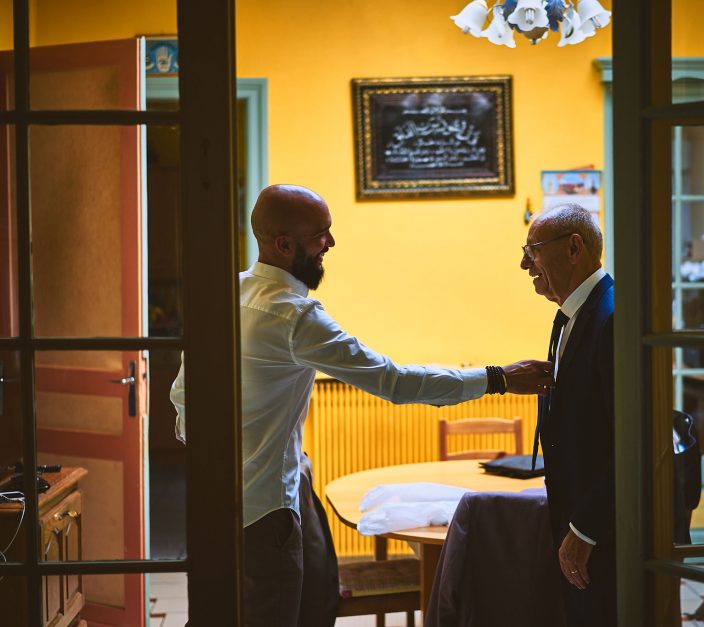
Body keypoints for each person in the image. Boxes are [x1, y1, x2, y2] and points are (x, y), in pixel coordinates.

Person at [170, 184, 553, 627]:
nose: (330, 243)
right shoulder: (296, 318)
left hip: (213, 505)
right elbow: (395, 381)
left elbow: (183, 398)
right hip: (265, 518)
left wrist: (232, 460)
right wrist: (499, 378)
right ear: (284, 244)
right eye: (321, 234)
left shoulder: (225, 295)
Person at [521, 203, 616, 626]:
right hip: (573, 511)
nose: (525, 264)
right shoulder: (571, 315)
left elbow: (626, 440)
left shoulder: (611, 317)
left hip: (606, 528)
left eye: (533, 250)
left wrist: (584, 529)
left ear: (574, 248)